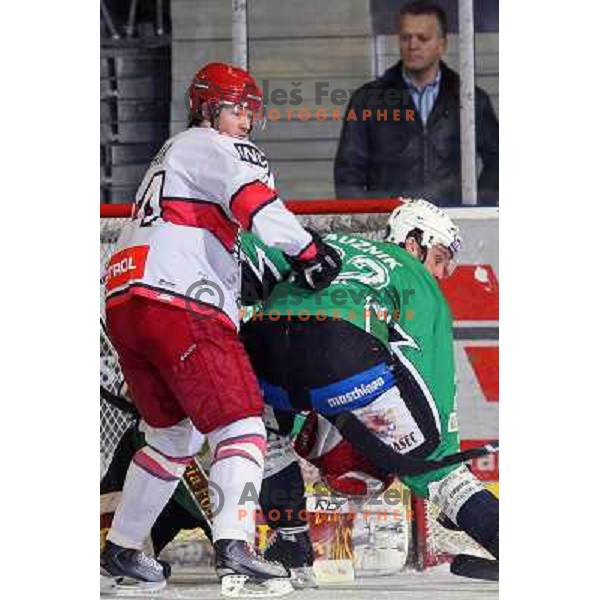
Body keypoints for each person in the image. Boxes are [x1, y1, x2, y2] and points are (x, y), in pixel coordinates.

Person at [100, 61, 341, 597]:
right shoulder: (206, 143)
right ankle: (234, 542)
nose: (245, 122)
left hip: (126, 300)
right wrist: (306, 250)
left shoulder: (172, 155)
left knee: (171, 436)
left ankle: (122, 548)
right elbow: (252, 200)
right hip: (179, 299)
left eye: (252, 113)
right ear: (208, 109)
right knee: (241, 425)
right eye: (236, 109)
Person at [239, 199, 499, 581]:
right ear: (413, 243)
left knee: (264, 439)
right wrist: (438, 456)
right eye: (441, 257)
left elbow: (249, 252)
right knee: (437, 466)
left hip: (263, 342)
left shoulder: (323, 242)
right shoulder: (414, 274)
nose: (442, 272)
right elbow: (429, 368)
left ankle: (290, 544)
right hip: (340, 351)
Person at [334, 1, 499, 206]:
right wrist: (366, 217)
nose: (413, 45)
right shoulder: (367, 100)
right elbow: (348, 172)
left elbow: (498, 161)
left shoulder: (468, 99)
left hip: (451, 220)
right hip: (389, 221)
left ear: (442, 45)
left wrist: (477, 206)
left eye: (423, 38)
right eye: (406, 37)